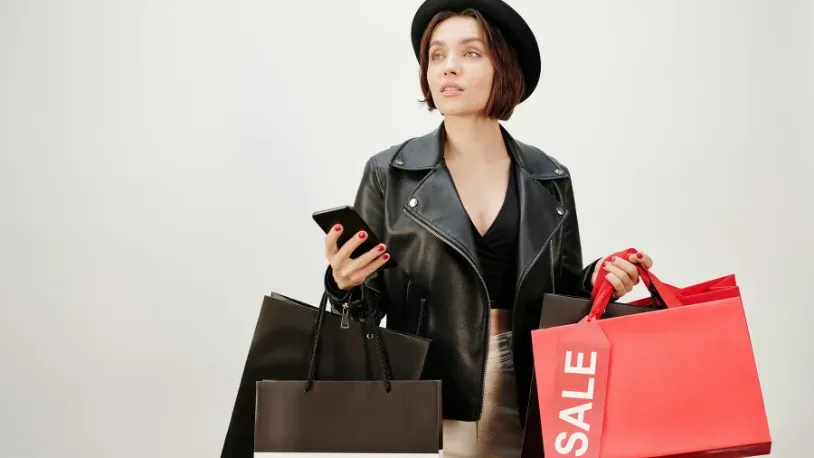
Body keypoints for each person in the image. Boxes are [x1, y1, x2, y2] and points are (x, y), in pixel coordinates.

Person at [321, 0, 653, 456]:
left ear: (505, 69)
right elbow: (366, 312)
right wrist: (344, 284)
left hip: (536, 382)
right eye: (437, 55)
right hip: (432, 386)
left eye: (470, 53)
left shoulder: (549, 177)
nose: (449, 68)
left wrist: (599, 278)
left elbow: (565, 298)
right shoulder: (389, 172)